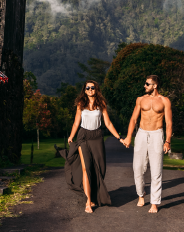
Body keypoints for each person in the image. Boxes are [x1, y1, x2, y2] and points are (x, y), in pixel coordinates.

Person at [62, 80, 124, 213]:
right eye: (87, 88)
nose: (90, 90)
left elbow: (107, 123)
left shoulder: (101, 104)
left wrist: (119, 138)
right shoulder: (81, 104)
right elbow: (76, 123)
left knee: (100, 168)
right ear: (84, 90)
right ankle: (88, 201)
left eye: (93, 87)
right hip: (83, 136)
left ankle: (94, 195)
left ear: (96, 89)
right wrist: (71, 136)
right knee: (86, 169)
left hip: (97, 137)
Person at [122, 74, 172, 213]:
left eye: (147, 84)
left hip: (157, 134)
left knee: (156, 170)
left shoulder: (165, 101)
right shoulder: (140, 100)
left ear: (155, 86)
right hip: (142, 134)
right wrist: (128, 137)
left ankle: (154, 203)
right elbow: (133, 119)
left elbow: (169, 123)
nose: (144, 86)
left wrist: (167, 141)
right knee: (138, 168)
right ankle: (141, 193)